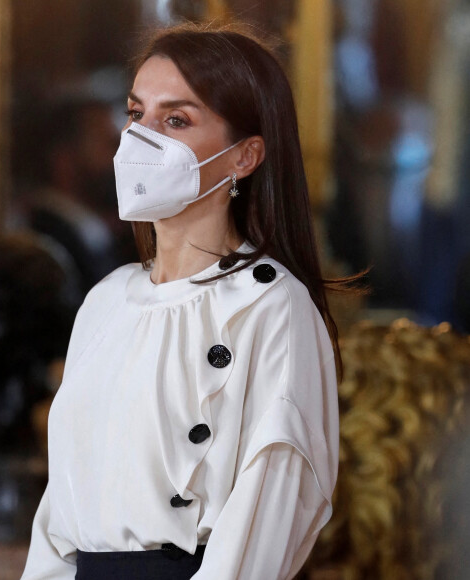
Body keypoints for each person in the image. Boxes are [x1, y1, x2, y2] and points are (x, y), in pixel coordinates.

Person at [22, 22, 355, 580]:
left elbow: (268, 508)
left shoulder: (272, 307)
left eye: (175, 119)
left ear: (244, 157)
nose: (141, 137)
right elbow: (60, 513)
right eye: (135, 114)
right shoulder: (105, 303)